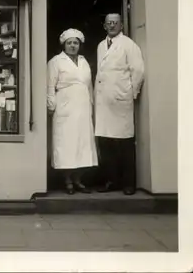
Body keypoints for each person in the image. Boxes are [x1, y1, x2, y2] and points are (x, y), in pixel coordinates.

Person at [95, 13, 145, 195]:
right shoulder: (101, 45)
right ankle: (111, 181)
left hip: (121, 101)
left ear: (122, 25)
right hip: (104, 102)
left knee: (124, 143)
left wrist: (131, 93)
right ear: (104, 25)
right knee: (106, 142)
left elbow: (138, 70)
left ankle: (128, 183)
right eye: (109, 23)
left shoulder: (128, 45)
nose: (112, 25)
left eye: (116, 22)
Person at [47, 28, 98, 194]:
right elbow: (49, 86)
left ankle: (78, 179)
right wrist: (51, 106)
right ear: (64, 44)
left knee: (82, 145)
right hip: (65, 108)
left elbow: (89, 86)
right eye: (69, 43)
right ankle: (67, 180)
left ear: (79, 45)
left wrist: (92, 105)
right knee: (66, 145)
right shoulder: (56, 62)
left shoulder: (84, 61)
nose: (73, 46)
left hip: (83, 109)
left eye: (75, 43)